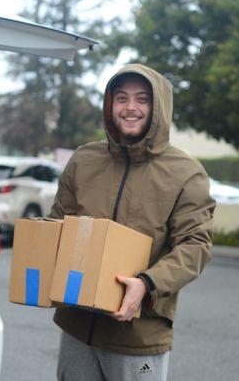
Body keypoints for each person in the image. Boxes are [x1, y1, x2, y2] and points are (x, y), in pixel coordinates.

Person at [50, 64, 215, 381]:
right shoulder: (84, 160)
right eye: (121, 98)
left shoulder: (186, 172)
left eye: (142, 99)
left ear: (158, 107)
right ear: (109, 104)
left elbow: (196, 245)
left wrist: (148, 283)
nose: (130, 108)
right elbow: (60, 223)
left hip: (139, 333)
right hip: (77, 326)